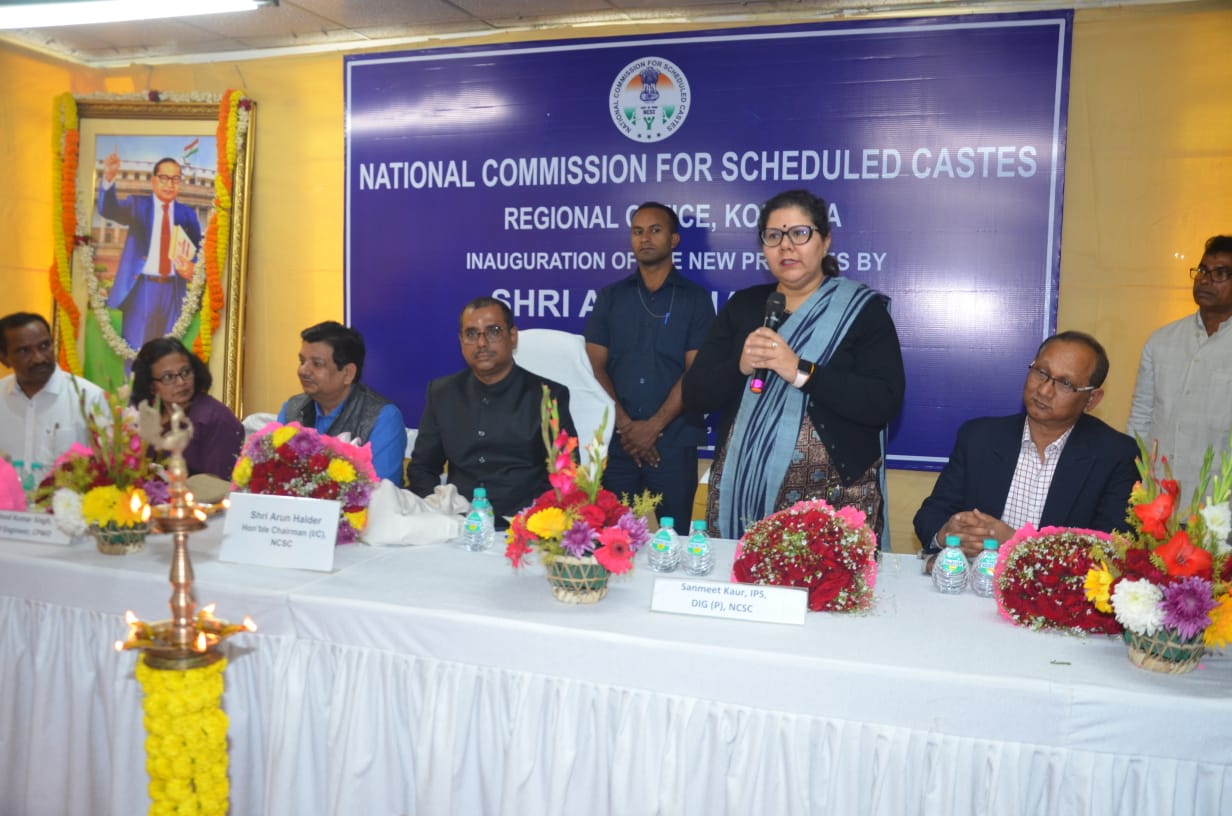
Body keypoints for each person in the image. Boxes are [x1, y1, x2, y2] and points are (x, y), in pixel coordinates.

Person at [682, 189, 905, 540]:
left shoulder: (862, 310)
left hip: (834, 499)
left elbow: (883, 402)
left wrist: (800, 371)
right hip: (742, 491)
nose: (786, 246)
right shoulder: (744, 306)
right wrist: (740, 366)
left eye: (799, 233)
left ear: (825, 241)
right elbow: (695, 395)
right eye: (774, 236)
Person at [914, 331, 1139, 565]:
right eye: (1041, 372)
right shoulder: (979, 437)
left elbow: (1110, 550)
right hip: (977, 579)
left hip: (1053, 587)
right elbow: (932, 514)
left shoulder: (1115, 455)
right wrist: (946, 533)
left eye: (1065, 383)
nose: (1044, 390)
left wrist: (1016, 543)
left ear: (1091, 399)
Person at [584, 202, 715, 534]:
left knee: (677, 540)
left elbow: (696, 371)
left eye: (655, 230)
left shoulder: (695, 299)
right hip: (617, 442)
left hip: (674, 441)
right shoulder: (611, 297)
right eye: (637, 231)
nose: (645, 238)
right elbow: (593, 366)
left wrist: (652, 427)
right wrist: (627, 427)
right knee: (610, 540)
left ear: (674, 240)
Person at [406, 297, 576, 521]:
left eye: (493, 331)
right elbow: (422, 468)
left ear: (512, 337)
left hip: (525, 524)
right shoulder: (442, 393)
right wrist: (438, 513)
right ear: (461, 341)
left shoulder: (548, 396)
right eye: (471, 334)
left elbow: (565, 473)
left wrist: (537, 521)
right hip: (458, 522)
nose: (481, 343)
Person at [1128, 235, 1232, 494]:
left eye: (1220, 273)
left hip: (1218, 499)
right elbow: (1141, 415)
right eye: (1203, 270)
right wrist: (1137, 478)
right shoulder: (1162, 340)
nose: (1205, 279)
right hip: (1158, 494)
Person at [97, 153, 203, 351]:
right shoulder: (137, 205)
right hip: (143, 288)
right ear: (153, 181)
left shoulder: (187, 214)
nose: (169, 184)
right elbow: (109, 209)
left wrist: (193, 266)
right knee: (136, 349)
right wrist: (109, 178)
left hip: (174, 290)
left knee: (170, 351)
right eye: (164, 178)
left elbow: (200, 248)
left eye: (175, 179)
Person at [278, 321, 406, 483]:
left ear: (348, 373)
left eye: (317, 364)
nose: (303, 371)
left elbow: (382, 489)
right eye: (302, 361)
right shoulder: (292, 409)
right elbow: (274, 473)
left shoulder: (382, 417)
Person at [0, 312, 107, 480]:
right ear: (4, 358)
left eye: (44, 346)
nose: (38, 358)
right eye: (24, 351)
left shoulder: (90, 398)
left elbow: (109, 467)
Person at [129, 337, 243, 480]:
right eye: (168, 377)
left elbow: (219, 486)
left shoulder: (214, 419)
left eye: (185, 372)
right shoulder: (145, 419)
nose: (181, 382)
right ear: (151, 386)